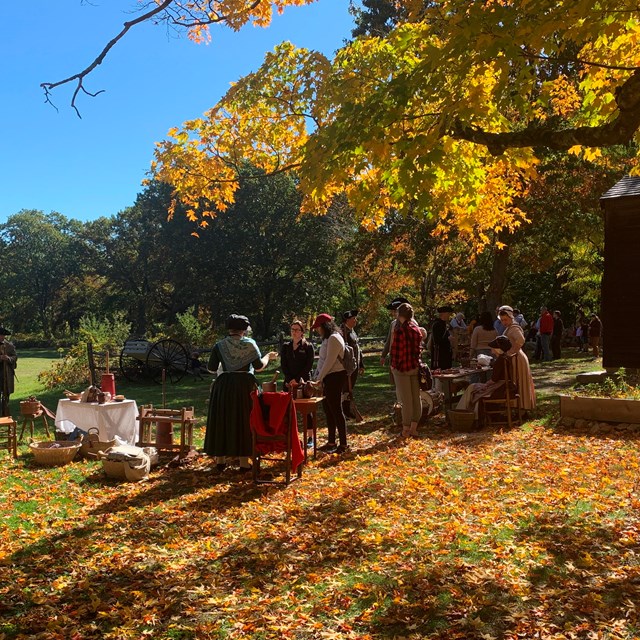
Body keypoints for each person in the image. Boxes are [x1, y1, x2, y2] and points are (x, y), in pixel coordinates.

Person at [204, 314, 278, 472]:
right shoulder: (250, 344)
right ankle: (244, 462)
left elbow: (211, 368)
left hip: (224, 386)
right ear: (244, 329)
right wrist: (267, 357)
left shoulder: (220, 345)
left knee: (223, 419)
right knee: (245, 420)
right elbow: (258, 367)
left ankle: (220, 460)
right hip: (245, 386)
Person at [310, 313, 349, 454]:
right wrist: (316, 376)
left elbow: (330, 361)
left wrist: (319, 379)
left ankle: (344, 444)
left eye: (318, 327)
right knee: (328, 409)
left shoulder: (334, 338)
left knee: (336, 409)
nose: (317, 330)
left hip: (336, 376)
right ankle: (331, 441)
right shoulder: (327, 339)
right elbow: (322, 360)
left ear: (324, 326)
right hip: (328, 377)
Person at [455, 335, 516, 417]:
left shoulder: (500, 361)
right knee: (473, 387)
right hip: (504, 386)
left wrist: (486, 384)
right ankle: (465, 413)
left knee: (472, 388)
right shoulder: (505, 358)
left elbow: (494, 379)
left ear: (497, 349)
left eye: (493, 348)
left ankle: (464, 413)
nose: (491, 349)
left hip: (500, 388)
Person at [390, 303, 423, 437]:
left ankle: (405, 429)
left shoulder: (400, 330)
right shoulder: (415, 329)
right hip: (414, 366)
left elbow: (397, 351)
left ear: (399, 314)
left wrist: (393, 365)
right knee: (416, 398)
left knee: (406, 400)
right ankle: (414, 428)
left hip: (402, 368)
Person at [280, 319, 315, 445]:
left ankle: (310, 438)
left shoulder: (308, 346)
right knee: (287, 409)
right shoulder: (285, 347)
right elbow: (283, 365)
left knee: (307, 410)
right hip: (288, 382)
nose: (294, 332)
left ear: (302, 332)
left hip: (303, 382)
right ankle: (289, 436)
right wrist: (290, 379)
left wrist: (298, 379)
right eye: (292, 329)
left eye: (297, 330)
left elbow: (309, 365)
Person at [498, 306, 536, 411]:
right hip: (514, 357)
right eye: (502, 320)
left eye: (505, 319)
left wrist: (511, 352)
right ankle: (517, 407)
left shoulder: (514, 327)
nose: (504, 322)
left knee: (518, 382)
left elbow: (520, 340)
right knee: (515, 382)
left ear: (511, 317)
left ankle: (523, 407)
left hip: (517, 358)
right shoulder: (509, 328)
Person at [340, 309, 365, 419]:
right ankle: (343, 411)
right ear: (347, 320)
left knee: (349, 390)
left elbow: (358, 349)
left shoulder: (353, 332)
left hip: (354, 365)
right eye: (353, 318)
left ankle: (347, 410)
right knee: (344, 389)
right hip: (347, 366)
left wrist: (361, 364)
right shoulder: (342, 333)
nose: (355, 320)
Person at [0, 327, 17, 417]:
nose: (2, 337)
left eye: (3, 335)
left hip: (6, 374)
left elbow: (15, 357)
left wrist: (8, 358)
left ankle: (5, 413)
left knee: (6, 394)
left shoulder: (9, 346)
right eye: (1, 335)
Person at [430, 305, 454, 370]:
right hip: (439, 353)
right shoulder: (437, 324)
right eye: (448, 314)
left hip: (446, 352)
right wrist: (448, 338)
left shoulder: (445, 324)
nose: (449, 316)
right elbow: (436, 340)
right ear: (444, 314)